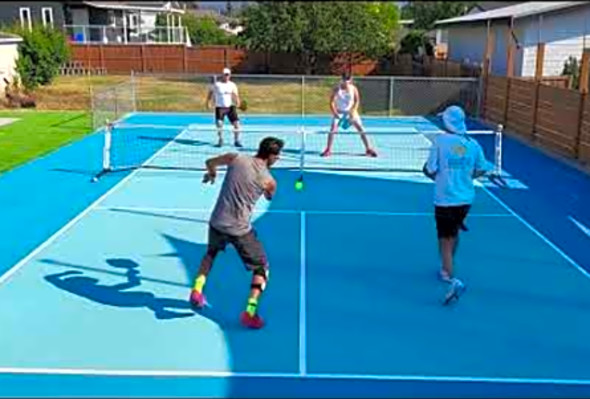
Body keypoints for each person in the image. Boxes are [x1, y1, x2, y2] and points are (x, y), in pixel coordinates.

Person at [189, 136, 284, 329]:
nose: (278, 159)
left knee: (211, 253)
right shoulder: (269, 180)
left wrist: (212, 173)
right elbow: (269, 195)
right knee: (262, 268)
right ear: (272, 156)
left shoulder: (235, 158)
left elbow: (210, 162)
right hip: (239, 229)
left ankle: (197, 290)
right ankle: (250, 312)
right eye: (278, 156)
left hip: (217, 221)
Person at [422, 105, 491, 305]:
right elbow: (482, 169)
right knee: (454, 235)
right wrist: (465, 176)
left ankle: (453, 279)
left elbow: (430, 169)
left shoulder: (440, 142)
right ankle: (446, 269)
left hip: (445, 199)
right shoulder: (472, 144)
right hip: (466, 199)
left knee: (444, 240)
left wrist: (435, 175)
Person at [320, 73, 377, 158]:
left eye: (348, 80)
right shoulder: (337, 89)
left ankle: (368, 149)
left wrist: (353, 111)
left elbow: (357, 101)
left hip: (351, 112)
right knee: (332, 129)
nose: (346, 81)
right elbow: (331, 102)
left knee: (361, 129)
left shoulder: (353, 89)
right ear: (341, 79)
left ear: (350, 80)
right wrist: (335, 113)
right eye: (344, 79)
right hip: (339, 112)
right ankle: (328, 149)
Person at [206, 67, 242, 148]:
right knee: (219, 124)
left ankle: (236, 140)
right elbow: (210, 93)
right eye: (225, 74)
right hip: (220, 108)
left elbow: (235, 95)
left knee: (237, 124)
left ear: (230, 75)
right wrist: (208, 103)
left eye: (228, 74)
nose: (226, 76)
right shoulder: (217, 84)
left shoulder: (232, 85)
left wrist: (238, 102)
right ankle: (220, 139)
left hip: (230, 107)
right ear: (222, 75)